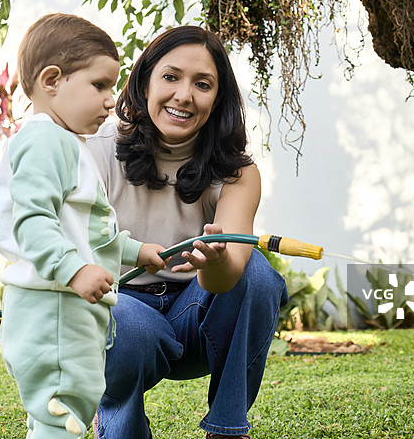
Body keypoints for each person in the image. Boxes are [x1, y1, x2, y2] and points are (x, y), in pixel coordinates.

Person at [86, 26, 289, 439]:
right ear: (144, 82)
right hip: (121, 316)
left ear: (217, 100)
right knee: (125, 319)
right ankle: (120, 427)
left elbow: (231, 277)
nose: (184, 95)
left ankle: (228, 429)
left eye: (203, 84)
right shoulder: (94, 147)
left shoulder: (237, 172)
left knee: (259, 275)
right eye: (170, 77)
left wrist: (213, 263)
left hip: (195, 315)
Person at [0, 13, 167, 439]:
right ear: (52, 80)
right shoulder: (45, 141)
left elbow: (85, 226)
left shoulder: (66, 142)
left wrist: (135, 250)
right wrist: (73, 270)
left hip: (66, 305)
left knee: (63, 407)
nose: (112, 100)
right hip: (54, 307)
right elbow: (30, 220)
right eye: (100, 85)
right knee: (63, 407)